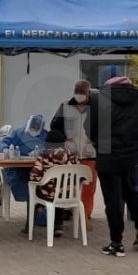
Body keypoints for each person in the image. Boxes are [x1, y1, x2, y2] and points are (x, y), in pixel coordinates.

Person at [88, 73, 138, 257]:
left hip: (108, 155)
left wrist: (98, 141)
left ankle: (116, 243)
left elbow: (90, 128)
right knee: (131, 192)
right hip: (132, 155)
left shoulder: (99, 98)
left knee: (113, 200)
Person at [50, 80, 98, 222]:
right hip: (69, 154)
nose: (80, 95)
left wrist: (97, 141)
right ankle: (68, 210)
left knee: (89, 185)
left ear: (88, 93)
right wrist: (63, 139)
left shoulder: (96, 108)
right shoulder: (65, 106)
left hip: (90, 153)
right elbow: (55, 126)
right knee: (68, 183)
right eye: (77, 93)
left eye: (82, 93)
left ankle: (86, 213)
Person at [24, 128, 79, 238]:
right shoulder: (72, 155)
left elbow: (35, 175)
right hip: (68, 195)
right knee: (60, 191)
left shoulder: (44, 155)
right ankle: (58, 225)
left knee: (32, 192)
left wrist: (34, 180)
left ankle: (28, 226)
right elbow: (80, 174)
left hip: (48, 194)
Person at [0, 114, 47, 206]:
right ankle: (29, 200)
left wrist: (41, 151)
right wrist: (5, 149)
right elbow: (2, 142)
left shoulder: (44, 135)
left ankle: (36, 206)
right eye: (32, 128)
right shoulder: (19, 133)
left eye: (37, 129)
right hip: (18, 167)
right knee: (22, 182)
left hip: (36, 167)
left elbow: (50, 148)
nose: (34, 130)